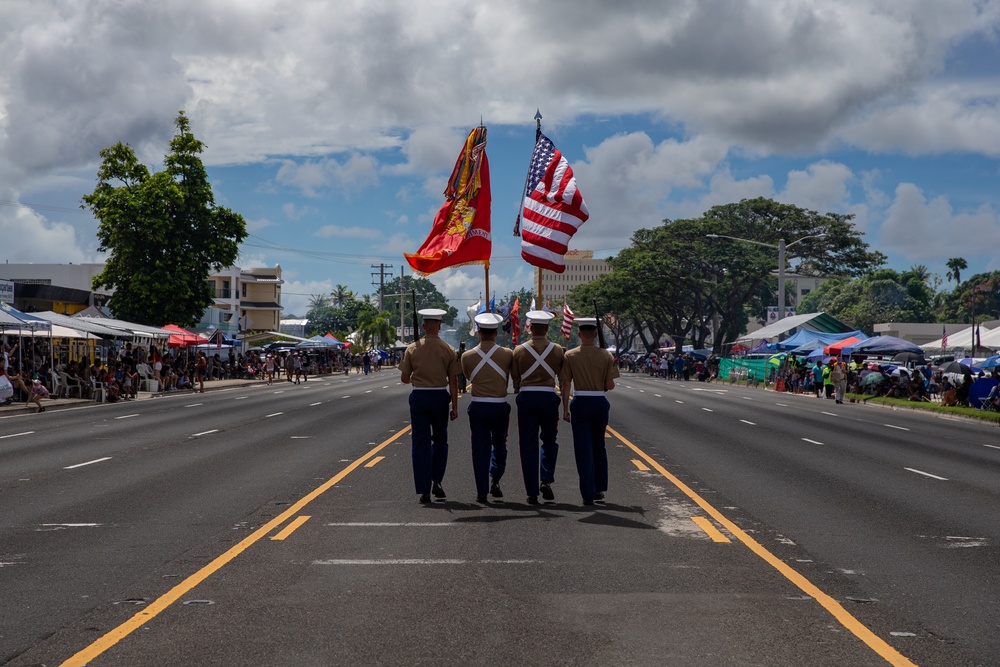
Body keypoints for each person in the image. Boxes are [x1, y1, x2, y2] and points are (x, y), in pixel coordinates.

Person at [399, 308, 460, 504]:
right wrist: (455, 407)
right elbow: (453, 381)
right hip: (440, 397)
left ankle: (424, 489)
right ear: (439, 326)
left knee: (420, 443)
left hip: (419, 396)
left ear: (424, 326)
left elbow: (404, 378)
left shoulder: (412, 348)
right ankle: (437, 481)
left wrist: (419, 377)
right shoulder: (448, 349)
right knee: (440, 441)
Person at [561, 317, 620, 506]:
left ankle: (587, 493)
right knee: (598, 446)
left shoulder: (570, 355)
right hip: (599, 402)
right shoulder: (606, 355)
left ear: (579, 335)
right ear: (595, 334)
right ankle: (599, 488)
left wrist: (564, 408)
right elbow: (610, 386)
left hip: (580, 401)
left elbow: (566, 383)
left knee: (583, 449)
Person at [511, 310, 565, 504]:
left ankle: (531, 492)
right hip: (549, 397)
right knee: (550, 440)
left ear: (530, 328)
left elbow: (515, 378)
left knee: (528, 445)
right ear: (547, 329)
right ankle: (546, 479)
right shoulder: (558, 349)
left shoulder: (519, 350)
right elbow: (562, 376)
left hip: (527, 397)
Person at [462, 312, 514, 504]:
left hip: (478, 406)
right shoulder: (507, 354)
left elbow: (468, 377)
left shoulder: (467, 356)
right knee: (500, 444)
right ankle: (496, 479)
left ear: (478, 332)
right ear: (496, 332)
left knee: (479, 449)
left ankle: (481, 491)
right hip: (499, 406)